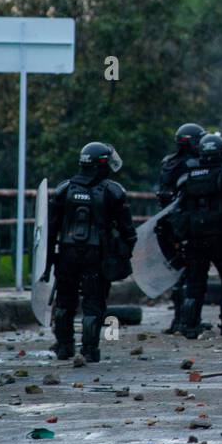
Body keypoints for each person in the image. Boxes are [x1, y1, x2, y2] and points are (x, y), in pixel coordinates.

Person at [46, 142, 137, 363]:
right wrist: (122, 255)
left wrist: (48, 262)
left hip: (66, 254)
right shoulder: (113, 191)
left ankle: (64, 348)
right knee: (93, 303)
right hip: (96, 256)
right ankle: (88, 350)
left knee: (65, 301)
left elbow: (48, 230)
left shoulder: (64, 189)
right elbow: (128, 232)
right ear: (103, 164)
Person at [169, 133, 222, 338]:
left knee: (195, 284)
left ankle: (190, 327)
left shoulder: (186, 178)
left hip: (194, 240)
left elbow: (176, 211)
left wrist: (178, 237)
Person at [156, 123, 205, 334]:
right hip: (185, 224)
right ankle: (186, 321)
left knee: (178, 271)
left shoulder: (168, 162)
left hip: (167, 224)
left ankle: (178, 320)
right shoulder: (193, 165)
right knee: (191, 273)